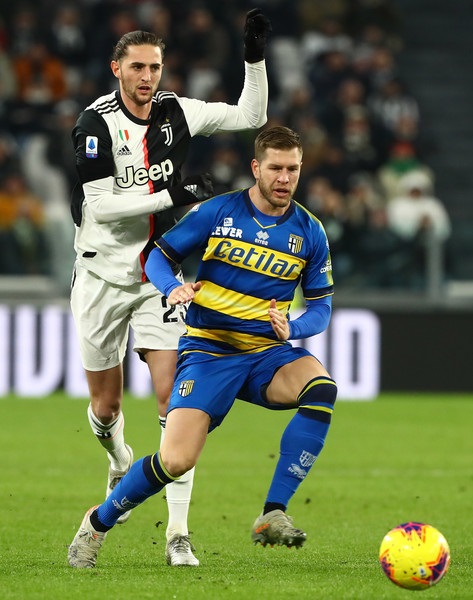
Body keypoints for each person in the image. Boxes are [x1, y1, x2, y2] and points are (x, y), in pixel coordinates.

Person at [68, 125, 337, 569]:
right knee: (174, 460)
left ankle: (273, 512)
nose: (284, 178)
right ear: (256, 168)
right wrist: (170, 287)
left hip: (268, 352)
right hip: (210, 352)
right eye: (275, 168)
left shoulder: (310, 231)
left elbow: (322, 308)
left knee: (322, 390)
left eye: (292, 169)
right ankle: (97, 523)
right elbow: (157, 254)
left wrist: (294, 325)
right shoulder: (219, 212)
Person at [69, 9, 271, 567]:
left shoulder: (177, 111)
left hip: (159, 273)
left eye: (155, 66)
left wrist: (253, 58)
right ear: (116, 69)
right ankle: (118, 457)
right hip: (102, 274)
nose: (147, 76)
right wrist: (172, 195)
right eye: (136, 66)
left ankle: (177, 534)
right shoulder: (94, 124)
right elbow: (101, 207)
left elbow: (253, 114)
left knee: (172, 400)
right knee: (105, 405)